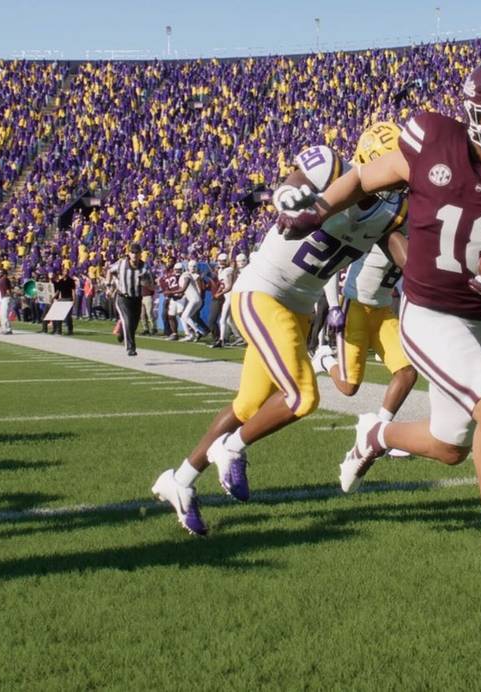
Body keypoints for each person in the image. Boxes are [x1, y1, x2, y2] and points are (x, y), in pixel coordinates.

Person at [296, 58, 481, 599]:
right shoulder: (430, 139)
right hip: (428, 312)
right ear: (470, 113)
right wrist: (316, 209)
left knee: (450, 446)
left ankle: (374, 435)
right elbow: (360, 179)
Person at [150, 134, 408, 537]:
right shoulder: (332, 167)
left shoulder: (391, 209)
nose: (394, 181)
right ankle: (231, 447)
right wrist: (289, 198)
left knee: (249, 403)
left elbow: (404, 253)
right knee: (302, 398)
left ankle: (179, 480)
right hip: (262, 292)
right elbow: (292, 184)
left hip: (299, 310)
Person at [313, 121, 421, 489]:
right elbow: (335, 261)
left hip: (383, 307)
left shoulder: (402, 207)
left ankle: (379, 429)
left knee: (407, 372)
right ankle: (324, 358)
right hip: (357, 303)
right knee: (348, 387)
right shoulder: (383, 217)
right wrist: (332, 305)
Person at [110, 249, 144, 356]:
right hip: (123, 297)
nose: (135, 254)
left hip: (137, 298)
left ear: (140, 254)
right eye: (133, 252)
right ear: (129, 254)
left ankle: (123, 335)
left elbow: (150, 280)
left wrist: (150, 285)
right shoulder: (121, 263)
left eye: (137, 252)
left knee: (134, 324)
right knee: (127, 320)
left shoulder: (144, 266)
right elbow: (109, 270)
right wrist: (108, 286)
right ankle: (130, 348)